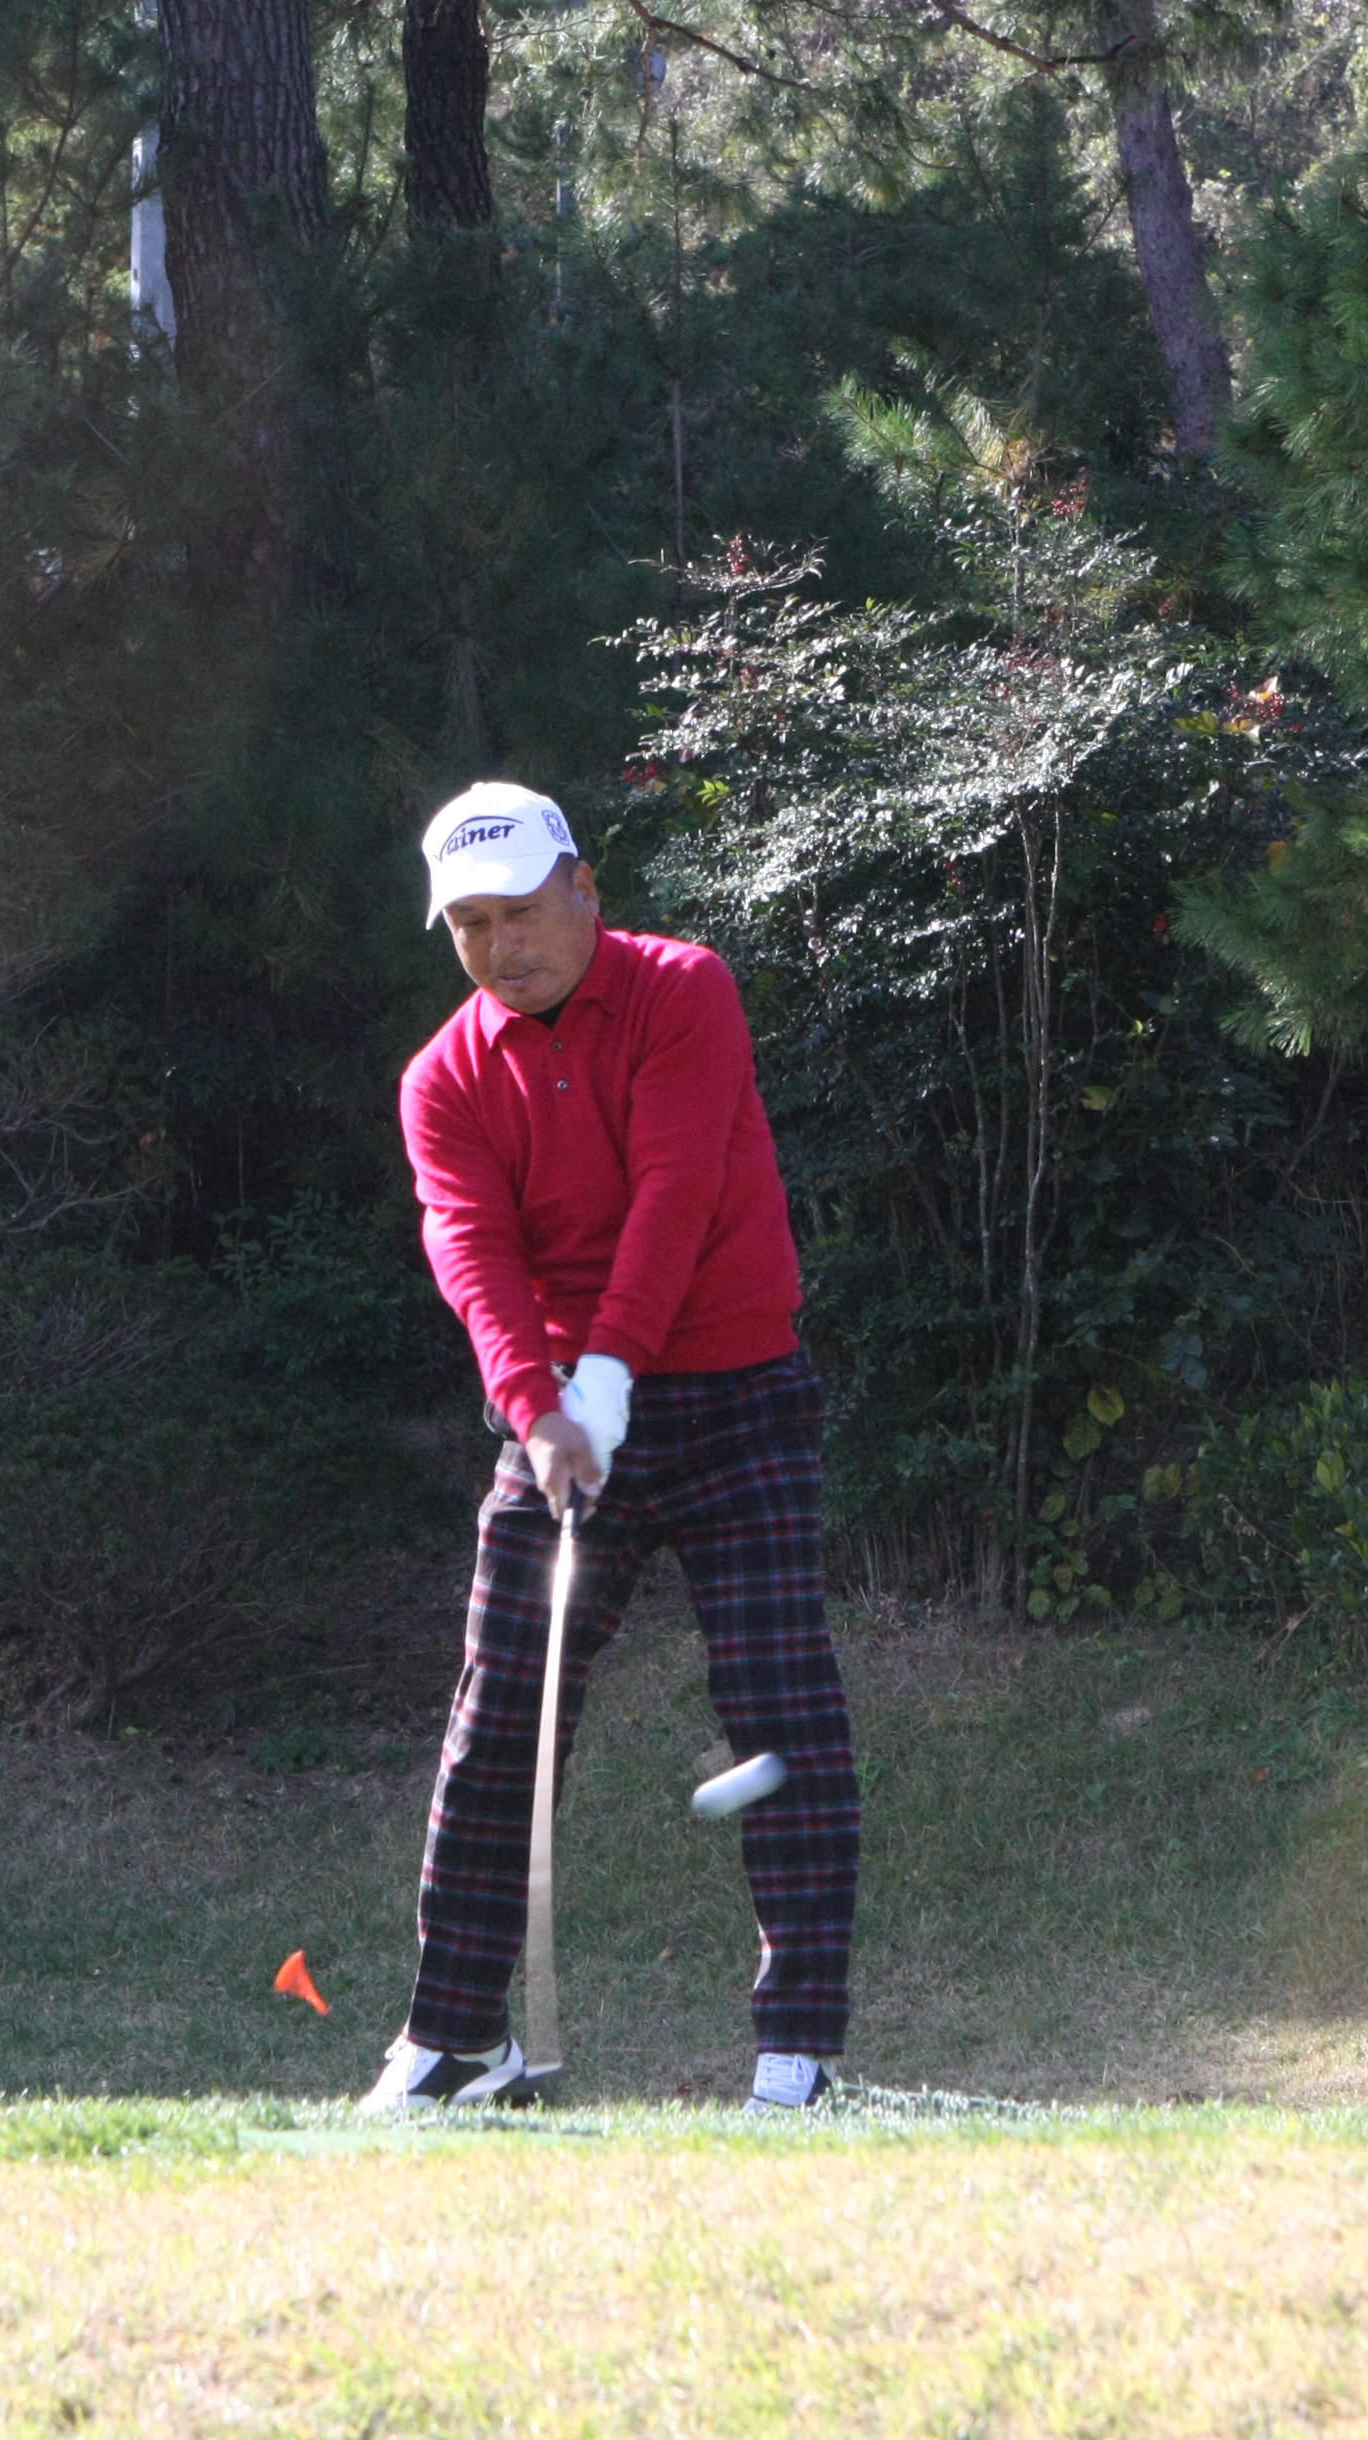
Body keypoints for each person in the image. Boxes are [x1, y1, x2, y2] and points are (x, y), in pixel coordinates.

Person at [358, 780, 860, 2114]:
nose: (500, 945)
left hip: (737, 1391)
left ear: (586, 890)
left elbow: (676, 1191)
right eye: (470, 925)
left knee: (781, 1703)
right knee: (499, 1720)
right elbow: (472, 1250)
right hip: (563, 1422)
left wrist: (612, 1371)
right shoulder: (442, 1078)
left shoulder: (686, 990)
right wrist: (536, 1406)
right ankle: (459, 2041)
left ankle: (798, 2052)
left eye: (521, 912)